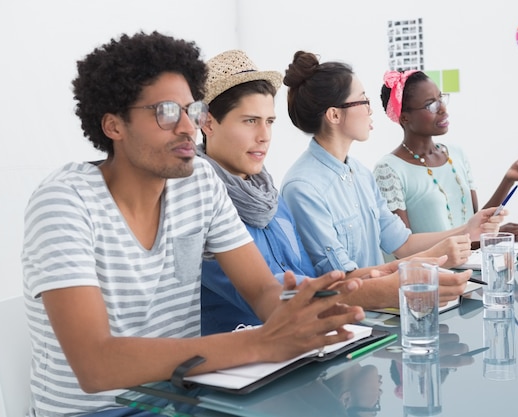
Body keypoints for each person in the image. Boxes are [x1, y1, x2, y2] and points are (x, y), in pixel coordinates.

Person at [21, 32, 366, 417]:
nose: (188, 127)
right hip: (98, 411)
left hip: (186, 399)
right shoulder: (65, 201)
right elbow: (96, 365)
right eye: (166, 112)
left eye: (192, 110)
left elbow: (261, 289)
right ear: (114, 125)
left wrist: (300, 311)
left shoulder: (199, 182)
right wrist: (262, 343)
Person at [197, 50, 476, 335]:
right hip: (244, 363)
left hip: (303, 345)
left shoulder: (273, 199)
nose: (265, 135)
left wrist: (411, 269)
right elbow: (274, 297)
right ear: (207, 123)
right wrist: (390, 284)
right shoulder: (201, 204)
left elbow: (313, 282)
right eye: (250, 121)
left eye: (269, 121)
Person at [279, 51, 506, 277]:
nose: (370, 110)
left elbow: (403, 243)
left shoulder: (359, 173)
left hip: (382, 308)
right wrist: (435, 258)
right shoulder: (303, 188)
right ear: (334, 115)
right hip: (354, 309)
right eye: (363, 100)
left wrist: (467, 230)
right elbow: (342, 278)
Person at [373, 70, 518, 241]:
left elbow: (474, 225)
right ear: (404, 118)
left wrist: (508, 180)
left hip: (471, 267)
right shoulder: (389, 169)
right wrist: (493, 236)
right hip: (433, 270)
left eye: (440, 98)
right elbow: (402, 247)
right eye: (431, 104)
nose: (442, 108)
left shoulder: (456, 154)